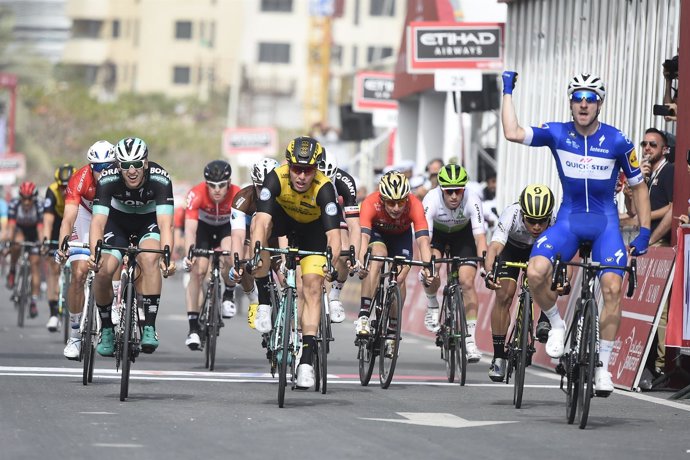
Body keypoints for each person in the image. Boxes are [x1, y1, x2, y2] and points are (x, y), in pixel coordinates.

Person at [501, 71, 651, 395]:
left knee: (612, 288)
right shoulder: (558, 133)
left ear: (599, 104)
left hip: (605, 225)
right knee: (536, 271)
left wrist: (644, 231)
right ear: (571, 103)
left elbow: (639, 188)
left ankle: (603, 368)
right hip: (569, 221)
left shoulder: (617, 140)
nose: (584, 104)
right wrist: (507, 90)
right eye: (578, 98)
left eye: (591, 99)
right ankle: (556, 323)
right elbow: (512, 132)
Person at [250, 136, 341, 389]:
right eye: (297, 169)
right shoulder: (276, 178)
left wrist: (331, 262)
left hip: (312, 231)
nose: (301, 176)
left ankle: (307, 362)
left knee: (312, 287)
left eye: (308, 170)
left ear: (316, 169)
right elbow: (263, 221)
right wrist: (257, 252)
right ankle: (265, 303)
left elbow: (334, 235)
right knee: (259, 229)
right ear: (288, 165)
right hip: (282, 222)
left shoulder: (324, 188)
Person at [89, 137, 176, 356]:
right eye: (125, 165)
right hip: (117, 222)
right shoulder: (108, 179)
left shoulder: (160, 179)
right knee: (102, 271)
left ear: (145, 163)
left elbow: (166, 224)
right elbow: (98, 222)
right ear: (118, 166)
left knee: (149, 259)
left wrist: (167, 257)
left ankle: (149, 327)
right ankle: (107, 328)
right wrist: (94, 253)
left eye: (137, 164)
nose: (131, 171)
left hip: (149, 221)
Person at [355, 171, 434, 355]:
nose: (397, 208)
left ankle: (392, 329)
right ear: (382, 199)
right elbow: (363, 237)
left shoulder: (415, 204)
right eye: (391, 202)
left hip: (401, 237)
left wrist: (428, 267)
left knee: (399, 277)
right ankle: (364, 315)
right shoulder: (370, 202)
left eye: (400, 202)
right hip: (377, 234)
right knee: (378, 256)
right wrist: (361, 262)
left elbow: (423, 241)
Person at [484, 184, 556, 381]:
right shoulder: (511, 214)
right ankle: (499, 357)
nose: (536, 227)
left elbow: (563, 256)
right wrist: (490, 272)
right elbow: (494, 247)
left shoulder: (556, 220)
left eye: (542, 222)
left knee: (553, 273)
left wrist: (562, 279)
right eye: (531, 221)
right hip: (512, 248)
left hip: (540, 250)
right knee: (504, 295)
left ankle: (545, 319)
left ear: (549, 216)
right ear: (523, 213)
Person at [55, 140, 115, 360]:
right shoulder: (79, 179)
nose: (104, 171)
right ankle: (75, 335)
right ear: (91, 167)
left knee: (111, 264)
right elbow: (68, 218)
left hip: (111, 216)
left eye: (109, 166)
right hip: (86, 214)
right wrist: (63, 244)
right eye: (99, 167)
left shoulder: (121, 179)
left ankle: (119, 306)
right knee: (79, 272)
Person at [421, 163, 486, 362]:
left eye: (458, 191)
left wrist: (485, 265)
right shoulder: (431, 200)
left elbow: (480, 237)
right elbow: (424, 240)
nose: (454, 196)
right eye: (449, 192)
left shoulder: (472, 199)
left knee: (466, 282)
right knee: (433, 267)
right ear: (441, 189)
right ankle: (433, 304)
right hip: (438, 236)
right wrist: (427, 267)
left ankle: (470, 341)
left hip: (463, 236)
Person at [182, 160, 240, 350]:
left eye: (222, 185)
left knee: (230, 255)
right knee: (198, 272)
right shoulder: (196, 193)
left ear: (229, 183)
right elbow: (190, 230)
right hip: (204, 230)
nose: (217, 190)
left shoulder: (237, 194)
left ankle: (229, 294)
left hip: (225, 229)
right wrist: (190, 253)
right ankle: (192, 329)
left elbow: (240, 232)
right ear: (206, 184)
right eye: (212, 186)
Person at [230, 157, 280, 329]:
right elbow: (237, 236)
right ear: (253, 184)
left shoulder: (285, 197)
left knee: (285, 274)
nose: (265, 192)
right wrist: (235, 264)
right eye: (260, 187)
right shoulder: (243, 199)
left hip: (277, 236)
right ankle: (253, 299)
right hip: (252, 237)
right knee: (243, 263)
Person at [317, 153, 360, 323]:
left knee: (344, 251)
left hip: (332, 213)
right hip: (307, 213)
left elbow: (354, 225)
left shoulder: (345, 182)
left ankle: (334, 295)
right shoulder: (303, 177)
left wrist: (353, 254)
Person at [42, 164, 75, 332]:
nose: (64, 190)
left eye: (67, 186)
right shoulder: (52, 191)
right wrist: (46, 241)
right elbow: (47, 221)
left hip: (76, 221)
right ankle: (53, 313)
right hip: (57, 223)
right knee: (53, 267)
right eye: (62, 186)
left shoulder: (80, 187)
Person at [7, 181, 44, 318]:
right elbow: (10, 228)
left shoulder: (39, 206)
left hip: (34, 233)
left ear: (34, 198)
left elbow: (41, 229)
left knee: (35, 264)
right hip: (20, 230)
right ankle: (12, 269)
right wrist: (9, 244)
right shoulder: (14, 205)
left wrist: (42, 244)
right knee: (16, 243)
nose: (27, 202)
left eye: (29, 199)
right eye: (24, 198)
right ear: (20, 197)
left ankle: (33, 301)